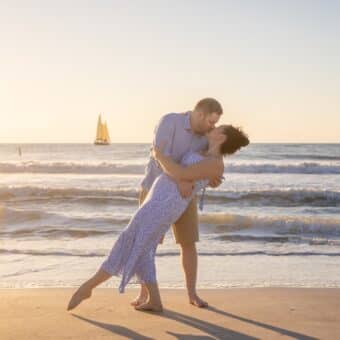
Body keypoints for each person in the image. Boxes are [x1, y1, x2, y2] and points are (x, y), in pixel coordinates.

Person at [67, 124, 249, 312]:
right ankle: (151, 299)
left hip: (168, 204)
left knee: (138, 242)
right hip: (157, 197)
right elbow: (184, 173)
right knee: (137, 241)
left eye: (219, 128)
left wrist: (160, 156)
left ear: (222, 137)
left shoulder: (215, 163)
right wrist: (184, 174)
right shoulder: (203, 152)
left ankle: (89, 286)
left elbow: (179, 173)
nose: (214, 127)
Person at [136, 98, 224, 309]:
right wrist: (182, 179)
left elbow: (205, 165)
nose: (213, 127)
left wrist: (211, 177)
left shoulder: (205, 138)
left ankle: (192, 294)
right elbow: (160, 156)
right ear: (200, 114)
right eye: (211, 122)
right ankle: (144, 293)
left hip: (186, 194)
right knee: (148, 242)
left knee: (188, 242)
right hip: (155, 190)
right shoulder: (170, 122)